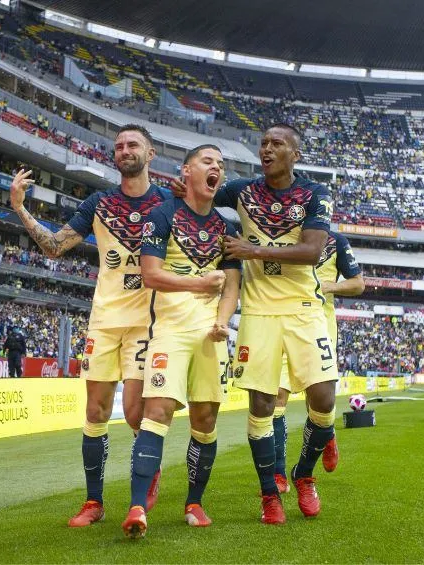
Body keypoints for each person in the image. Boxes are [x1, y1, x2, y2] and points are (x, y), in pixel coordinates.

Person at [10, 124, 171, 527]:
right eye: (118, 146)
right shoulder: (98, 203)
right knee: (96, 410)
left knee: (135, 412)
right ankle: (94, 502)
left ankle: (145, 477)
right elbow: (53, 246)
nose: (124, 150)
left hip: (146, 323)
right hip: (104, 321)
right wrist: (19, 207)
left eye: (133, 144)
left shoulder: (169, 203)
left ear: (150, 154)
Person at [178, 124, 336, 524]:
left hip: (304, 308)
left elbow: (313, 250)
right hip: (259, 312)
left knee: (324, 401)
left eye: (276, 144)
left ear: (294, 154)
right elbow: (203, 198)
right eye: (263, 143)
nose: (266, 149)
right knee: (262, 405)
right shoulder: (244, 191)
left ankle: (304, 474)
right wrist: (182, 191)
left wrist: (251, 249)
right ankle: (270, 495)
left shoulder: (315, 194)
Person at [122, 144, 240, 539]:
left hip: (211, 336)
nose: (217, 168)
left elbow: (232, 286)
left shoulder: (228, 229)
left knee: (205, 421)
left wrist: (223, 321)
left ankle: (194, 502)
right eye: (208, 161)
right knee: (156, 412)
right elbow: (151, 275)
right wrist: (199, 283)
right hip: (169, 331)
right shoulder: (162, 215)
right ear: (186, 171)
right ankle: (138, 507)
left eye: (220, 166)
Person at [273, 230, 364, 492]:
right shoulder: (278, 233)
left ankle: (328, 433)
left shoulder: (335, 241)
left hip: (319, 325)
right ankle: (279, 474)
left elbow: (358, 284)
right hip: (282, 319)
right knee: (278, 394)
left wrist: (329, 286)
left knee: (318, 398)